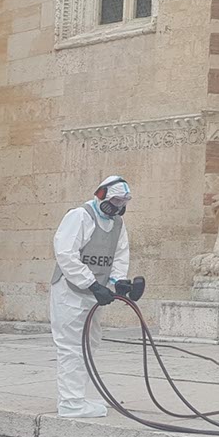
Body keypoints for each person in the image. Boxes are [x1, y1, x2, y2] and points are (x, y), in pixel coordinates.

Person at [50, 176, 144, 417]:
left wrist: (119, 282)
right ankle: (70, 403)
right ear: (100, 195)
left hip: (95, 294)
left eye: (123, 203)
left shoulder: (117, 224)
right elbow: (65, 253)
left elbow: (119, 256)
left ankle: (77, 397)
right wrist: (91, 283)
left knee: (89, 344)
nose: (118, 207)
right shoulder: (80, 216)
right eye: (114, 201)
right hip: (70, 293)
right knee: (71, 345)